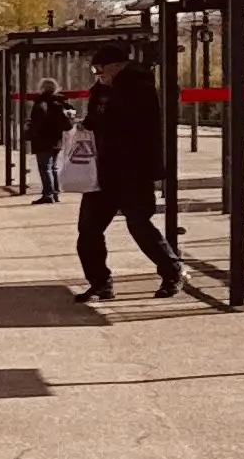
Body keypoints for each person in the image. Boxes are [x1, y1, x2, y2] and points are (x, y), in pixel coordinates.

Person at [76, 47, 178, 301]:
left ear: (116, 66)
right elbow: (97, 120)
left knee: (139, 225)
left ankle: (172, 272)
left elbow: (134, 127)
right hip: (103, 170)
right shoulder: (100, 91)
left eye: (100, 69)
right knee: (88, 230)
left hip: (133, 170)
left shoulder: (139, 88)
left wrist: (100, 122)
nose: (97, 75)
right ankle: (100, 282)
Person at [22, 82, 70, 203]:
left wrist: (28, 134)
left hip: (43, 139)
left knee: (45, 168)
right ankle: (55, 194)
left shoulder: (41, 103)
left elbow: (37, 122)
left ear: (42, 88)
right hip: (57, 139)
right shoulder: (60, 102)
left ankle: (48, 194)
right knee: (53, 167)